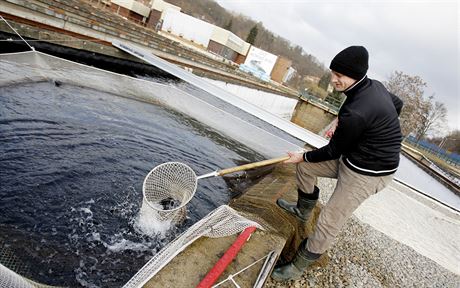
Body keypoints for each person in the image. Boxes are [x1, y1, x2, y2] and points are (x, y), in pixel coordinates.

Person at [271, 46, 403, 281]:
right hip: (353, 156)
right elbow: (398, 104)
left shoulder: (359, 112)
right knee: (305, 168)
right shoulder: (373, 87)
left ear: (355, 75)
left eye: (339, 76)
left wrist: (301, 155)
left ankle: (297, 267)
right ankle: (303, 210)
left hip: (369, 173)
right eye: (333, 73)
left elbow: (333, 150)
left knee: (329, 219)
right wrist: (341, 120)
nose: (333, 80)